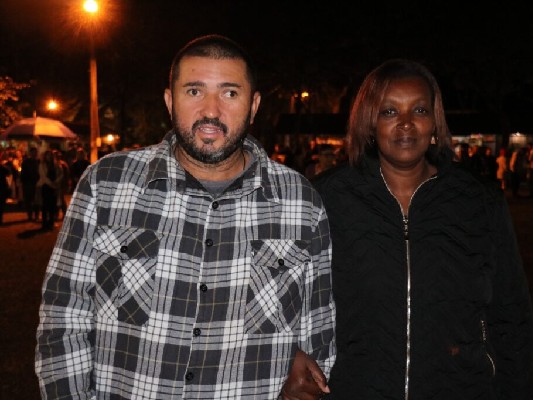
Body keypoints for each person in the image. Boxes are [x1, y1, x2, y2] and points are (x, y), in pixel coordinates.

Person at [36, 34, 336, 400]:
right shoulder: (107, 183)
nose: (211, 111)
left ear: (254, 105)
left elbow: (318, 331)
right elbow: (64, 316)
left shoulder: (300, 200)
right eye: (194, 91)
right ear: (169, 101)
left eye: (230, 93)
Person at [313, 59, 533, 399]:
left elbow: (511, 312)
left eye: (419, 110)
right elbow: (294, 302)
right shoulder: (328, 198)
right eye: (389, 111)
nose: (406, 123)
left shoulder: (478, 201)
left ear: (435, 121)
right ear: (370, 122)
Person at [36, 149, 63, 231]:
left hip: (54, 187)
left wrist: (56, 181)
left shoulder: (56, 164)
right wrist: (51, 184)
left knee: (52, 205)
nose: (49, 157)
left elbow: (61, 174)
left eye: (51, 155)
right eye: (48, 155)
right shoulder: (42, 165)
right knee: (45, 205)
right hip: (46, 186)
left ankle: (51, 222)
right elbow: (43, 176)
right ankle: (44, 223)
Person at [20, 146, 40, 221]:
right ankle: (30, 215)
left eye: (35, 152)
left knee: (36, 200)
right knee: (28, 200)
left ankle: (36, 215)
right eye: (33, 152)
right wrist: (23, 181)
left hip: (35, 183)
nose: (34, 154)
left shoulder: (38, 162)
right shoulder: (26, 162)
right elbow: (23, 173)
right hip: (28, 183)